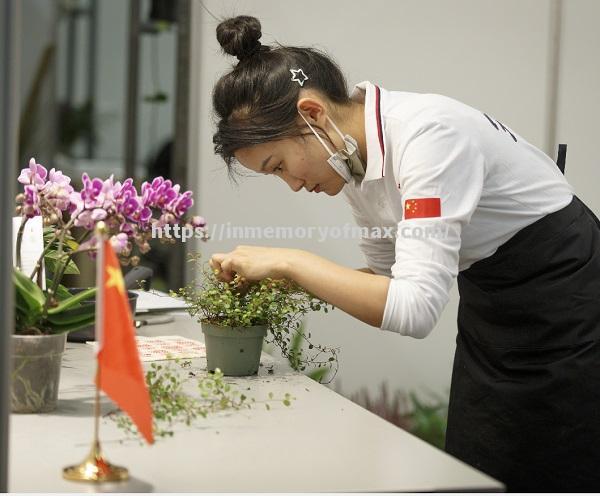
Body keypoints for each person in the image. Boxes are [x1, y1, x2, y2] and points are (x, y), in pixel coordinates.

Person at [208, 15, 600, 491]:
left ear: (312, 116)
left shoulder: (429, 138)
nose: (292, 184)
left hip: (568, 293)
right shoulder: (352, 157)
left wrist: (292, 261)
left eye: (279, 166)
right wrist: (281, 280)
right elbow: (386, 281)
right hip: (494, 299)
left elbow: (414, 311)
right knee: (478, 465)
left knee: (561, 466)